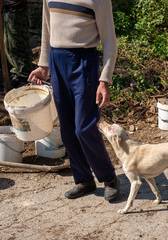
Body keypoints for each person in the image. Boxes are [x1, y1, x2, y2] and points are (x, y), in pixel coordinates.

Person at [28, 0, 119, 201]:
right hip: (57, 59)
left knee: (84, 127)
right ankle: (84, 180)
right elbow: (47, 28)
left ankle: (109, 178)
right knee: (67, 128)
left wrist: (105, 79)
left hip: (83, 61)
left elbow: (110, 41)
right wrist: (43, 65)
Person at [0, 0, 33, 88]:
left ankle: (25, 77)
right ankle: (18, 74)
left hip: (17, 12)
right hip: (9, 11)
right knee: (9, 46)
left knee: (18, 45)